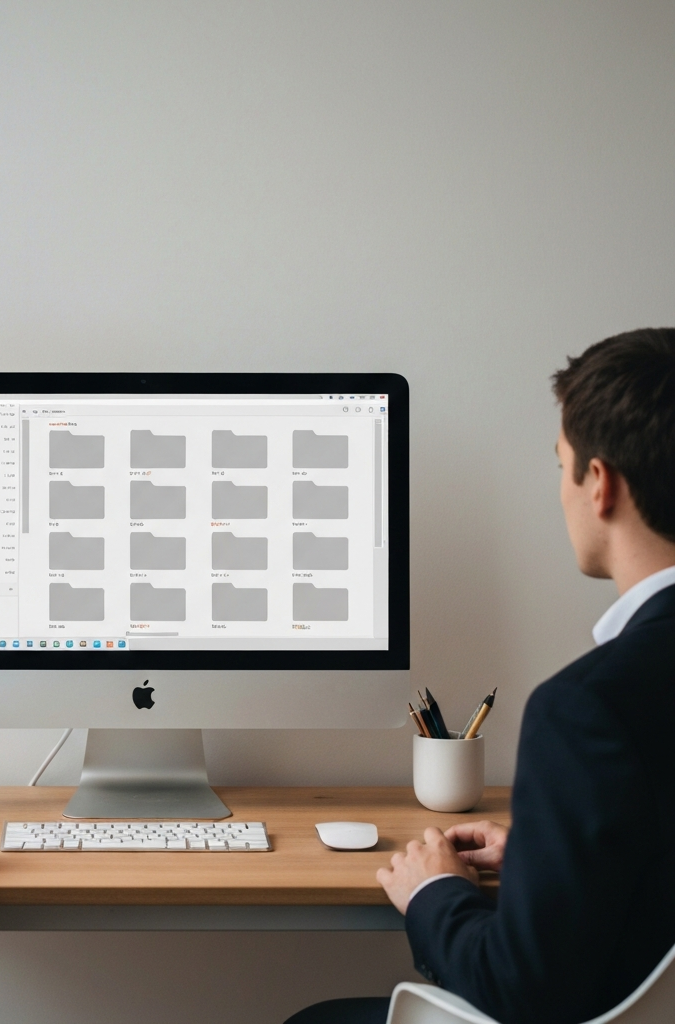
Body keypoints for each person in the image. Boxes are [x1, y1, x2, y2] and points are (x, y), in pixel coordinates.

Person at [287, 328, 675, 1024]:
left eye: (561, 465)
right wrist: (547, 858)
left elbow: (518, 993)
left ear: (600, 484)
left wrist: (434, 892)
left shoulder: (587, 710)